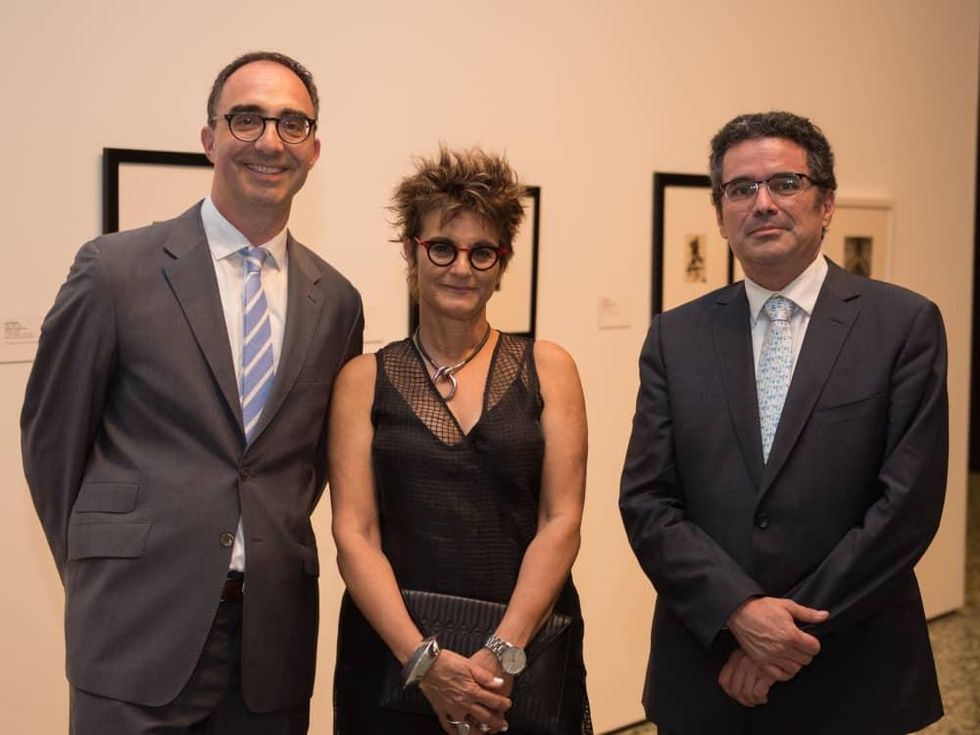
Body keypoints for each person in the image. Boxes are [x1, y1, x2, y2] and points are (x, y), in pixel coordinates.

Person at [21, 51, 363, 734]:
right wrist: (104, 566)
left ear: (314, 149)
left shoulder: (338, 302)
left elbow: (310, 467)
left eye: (292, 123)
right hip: (132, 631)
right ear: (209, 138)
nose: (270, 140)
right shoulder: (114, 271)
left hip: (270, 643)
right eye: (247, 119)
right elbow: (52, 444)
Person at [620, 111, 948, 734]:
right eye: (741, 188)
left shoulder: (903, 326)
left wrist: (784, 636)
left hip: (852, 671)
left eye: (785, 183)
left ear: (826, 204)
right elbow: (648, 501)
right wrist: (739, 611)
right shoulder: (675, 336)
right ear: (720, 215)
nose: (763, 202)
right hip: (708, 669)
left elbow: (906, 508)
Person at [328, 147, 592, 734]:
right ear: (411, 251)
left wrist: (500, 654)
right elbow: (354, 533)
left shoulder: (549, 368)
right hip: (393, 659)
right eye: (442, 248)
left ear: (502, 262)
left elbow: (562, 521)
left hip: (524, 660)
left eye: (482, 252)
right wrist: (424, 662)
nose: (461, 268)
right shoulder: (362, 381)